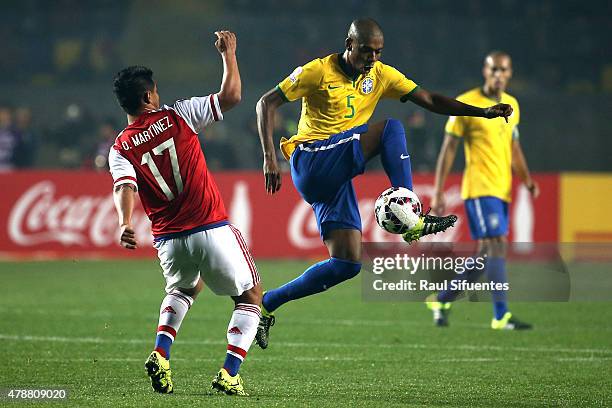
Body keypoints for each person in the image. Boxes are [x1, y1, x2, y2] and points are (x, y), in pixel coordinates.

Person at [254, 18, 514, 348]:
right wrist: (268, 157)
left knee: (346, 263)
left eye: (378, 52)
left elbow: (431, 100)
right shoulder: (317, 71)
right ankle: (413, 219)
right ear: (349, 44)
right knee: (390, 129)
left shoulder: (381, 75)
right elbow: (266, 103)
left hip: (333, 177)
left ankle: (266, 304)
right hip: (311, 158)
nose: (372, 58)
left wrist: (483, 112)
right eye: (366, 51)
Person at [109, 31, 261, 396]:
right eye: (155, 90)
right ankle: (230, 372)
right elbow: (233, 96)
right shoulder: (179, 115)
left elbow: (124, 187)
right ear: (149, 96)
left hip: (168, 240)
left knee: (185, 287)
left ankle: (161, 353)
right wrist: (229, 55)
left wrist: (125, 223)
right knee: (251, 295)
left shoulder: (120, 146)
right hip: (210, 225)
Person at [427, 51, 539, 330]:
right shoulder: (466, 103)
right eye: (494, 69)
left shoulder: (512, 105)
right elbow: (449, 147)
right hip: (478, 188)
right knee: (496, 245)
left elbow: (514, 147)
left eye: (504, 70)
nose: (499, 75)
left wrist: (526, 180)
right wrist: (439, 191)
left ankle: (442, 298)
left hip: (503, 190)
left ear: (510, 73)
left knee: (485, 255)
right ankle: (501, 315)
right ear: (485, 71)